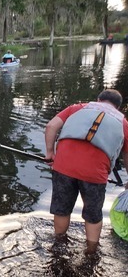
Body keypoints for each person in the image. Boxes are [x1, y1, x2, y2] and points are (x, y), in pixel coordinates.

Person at [44, 89, 128, 255]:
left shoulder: (77, 108)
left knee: (62, 210)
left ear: (98, 100)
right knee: (93, 216)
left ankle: (59, 244)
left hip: (63, 166)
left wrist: (50, 153)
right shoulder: (124, 124)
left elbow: (51, 126)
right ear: (118, 107)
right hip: (95, 174)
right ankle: (91, 253)